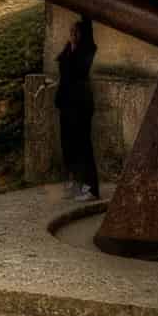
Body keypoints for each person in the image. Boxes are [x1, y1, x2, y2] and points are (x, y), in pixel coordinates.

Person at [55, 18, 99, 201]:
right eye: (71, 31)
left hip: (80, 105)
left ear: (84, 35)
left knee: (83, 146)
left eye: (77, 32)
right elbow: (65, 75)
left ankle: (91, 190)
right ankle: (75, 185)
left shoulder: (86, 51)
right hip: (66, 104)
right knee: (68, 146)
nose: (72, 35)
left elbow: (76, 73)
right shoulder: (67, 51)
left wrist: (86, 14)